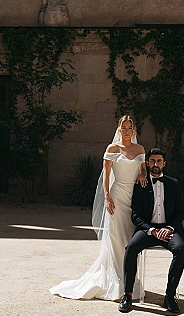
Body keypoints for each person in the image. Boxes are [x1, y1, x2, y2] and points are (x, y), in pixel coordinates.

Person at [50, 115, 148, 301]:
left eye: (130, 128)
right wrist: (107, 197)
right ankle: (117, 281)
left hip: (134, 198)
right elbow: (106, 174)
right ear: (119, 129)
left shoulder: (140, 149)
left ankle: (130, 280)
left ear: (133, 130)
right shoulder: (112, 148)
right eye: (124, 127)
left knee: (130, 239)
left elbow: (143, 169)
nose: (127, 131)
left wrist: (143, 175)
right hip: (117, 196)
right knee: (116, 238)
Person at [119, 147, 184, 314]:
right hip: (148, 230)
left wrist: (169, 228)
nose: (155, 164)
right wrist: (151, 230)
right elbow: (135, 215)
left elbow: (181, 212)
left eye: (159, 161)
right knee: (131, 248)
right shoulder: (140, 184)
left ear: (164, 163)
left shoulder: (174, 184)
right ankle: (127, 295)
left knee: (180, 249)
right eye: (152, 161)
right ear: (147, 163)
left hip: (170, 229)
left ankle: (169, 297)